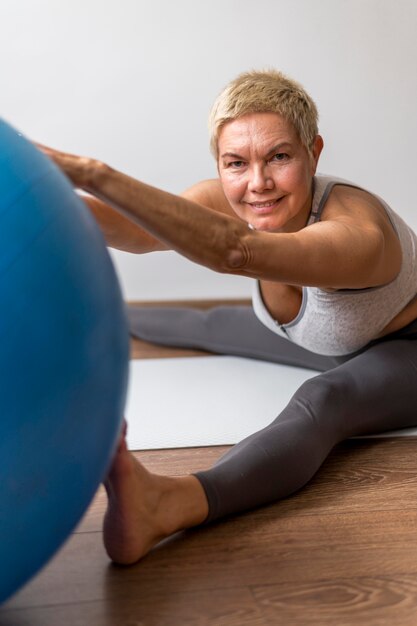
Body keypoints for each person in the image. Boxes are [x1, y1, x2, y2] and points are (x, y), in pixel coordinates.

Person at [39, 69, 417, 565]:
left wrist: (90, 171)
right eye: (235, 163)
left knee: (325, 399)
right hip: (335, 343)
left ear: (313, 152)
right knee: (210, 323)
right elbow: (135, 231)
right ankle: (118, 316)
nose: (257, 183)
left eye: (279, 157)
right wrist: (34, 196)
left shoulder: (357, 233)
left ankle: (169, 504)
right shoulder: (233, 197)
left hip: (406, 348)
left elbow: (237, 252)